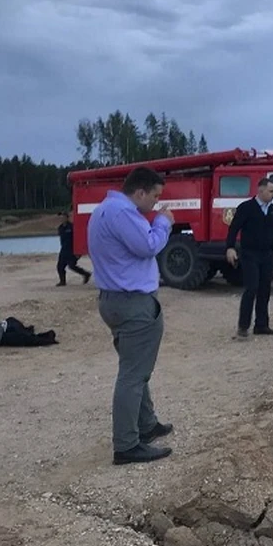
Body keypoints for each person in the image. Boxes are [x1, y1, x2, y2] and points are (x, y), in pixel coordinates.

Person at [87, 167, 175, 465]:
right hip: (133, 302)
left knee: (136, 366)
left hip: (113, 299)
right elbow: (148, 246)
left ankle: (147, 424)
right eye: (155, 196)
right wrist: (163, 223)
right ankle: (126, 444)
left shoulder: (103, 210)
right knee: (133, 374)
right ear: (140, 192)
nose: (155, 203)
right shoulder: (123, 213)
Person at [225, 177, 273, 338]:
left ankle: (262, 325)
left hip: (267, 254)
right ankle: (243, 326)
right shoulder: (246, 207)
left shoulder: (271, 209)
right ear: (261, 191)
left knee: (265, 289)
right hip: (250, 254)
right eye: (271, 191)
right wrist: (230, 247)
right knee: (252, 288)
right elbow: (234, 228)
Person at [56, 210, 92, 286]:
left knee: (71, 265)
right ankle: (62, 281)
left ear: (67, 218)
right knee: (60, 266)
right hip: (64, 250)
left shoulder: (72, 227)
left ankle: (86, 274)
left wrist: (79, 251)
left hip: (72, 250)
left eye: (63, 217)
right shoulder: (60, 228)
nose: (62, 219)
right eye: (61, 217)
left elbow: (79, 238)